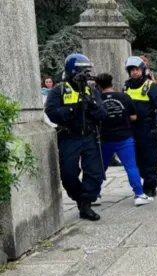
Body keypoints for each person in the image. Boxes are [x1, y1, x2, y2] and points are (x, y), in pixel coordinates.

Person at [45, 53, 107, 220]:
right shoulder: (59, 90)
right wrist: (73, 109)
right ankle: (80, 198)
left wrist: (91, 104)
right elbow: (51, 113)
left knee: (95, 173)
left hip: (89, 136)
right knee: (68, 174)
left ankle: (86, 204)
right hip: (69, 136)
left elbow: (103, 113)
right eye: (84, 72)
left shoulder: (92, 91)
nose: (87, 75)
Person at [94, 73, 153, 206]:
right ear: (112, 83)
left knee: (100, 167)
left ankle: (94, 194)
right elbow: (133, 117)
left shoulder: (97, 99)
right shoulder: (124, 97)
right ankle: (139, 194)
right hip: (124, 137)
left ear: (98, 85)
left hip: (105, 138)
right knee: (131, 167)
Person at [124, 56, 157, 197]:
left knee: (150, 158)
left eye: (136, 70)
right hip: (131, 128)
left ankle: (150, 184)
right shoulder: (126, 87)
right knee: (137, 158)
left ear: (142, 70)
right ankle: (146, 180)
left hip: (148, 127)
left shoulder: (150, 86)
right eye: (132, 70)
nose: (134, 73)